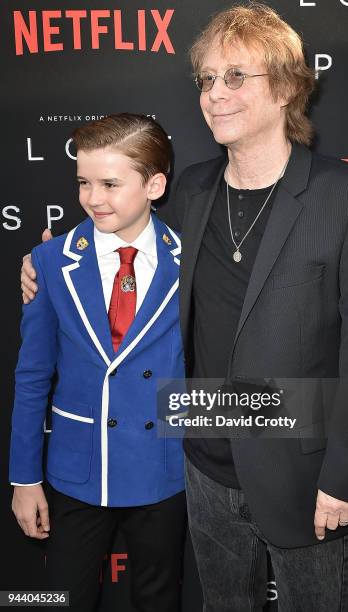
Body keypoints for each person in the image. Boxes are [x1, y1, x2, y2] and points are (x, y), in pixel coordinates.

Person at [21, 4, 348, 612]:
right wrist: (42, 261)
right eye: (206, 79)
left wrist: (347, 476)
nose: (214, 95)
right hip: (200, 466)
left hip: (304, 476)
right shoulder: (192, 189)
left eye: (235, 77)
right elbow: (117, 230)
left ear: (284, 86)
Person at [11, 113, 186, 612]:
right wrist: (24, 479)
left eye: (111, 183)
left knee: (158, 596)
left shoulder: (191, 262)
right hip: (77, 469)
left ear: (154, 184)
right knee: (63, 596)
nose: (93, 198)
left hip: (162, 469)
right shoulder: (50, 262)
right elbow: (31, 379)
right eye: (84, 182)